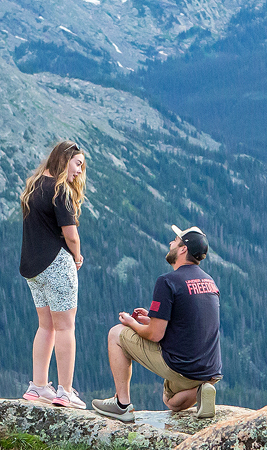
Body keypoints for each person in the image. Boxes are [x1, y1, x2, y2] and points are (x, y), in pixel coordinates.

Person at [92, 224, 221, 422]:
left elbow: (154, 335)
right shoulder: (209, 281)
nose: (171, 243)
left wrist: (131, 322)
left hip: (182, 367)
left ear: (183, 249)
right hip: (210, 370)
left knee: (116, 334)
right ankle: (202, 389)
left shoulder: (168, 281)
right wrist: (153, 318)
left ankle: (122, 405)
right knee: (170, 401)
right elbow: (189, 322)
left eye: (175, 241)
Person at [19, 140, 87, 409]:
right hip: (57, 264)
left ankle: (38, 386)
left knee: (45, 325)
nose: (79, 171)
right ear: (64, 160)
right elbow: (70, 234)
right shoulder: (61, 190)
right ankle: (65, 391)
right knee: (65, 327)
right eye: (78, 164)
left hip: (32, 268)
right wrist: (78, 256)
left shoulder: (34, 186)